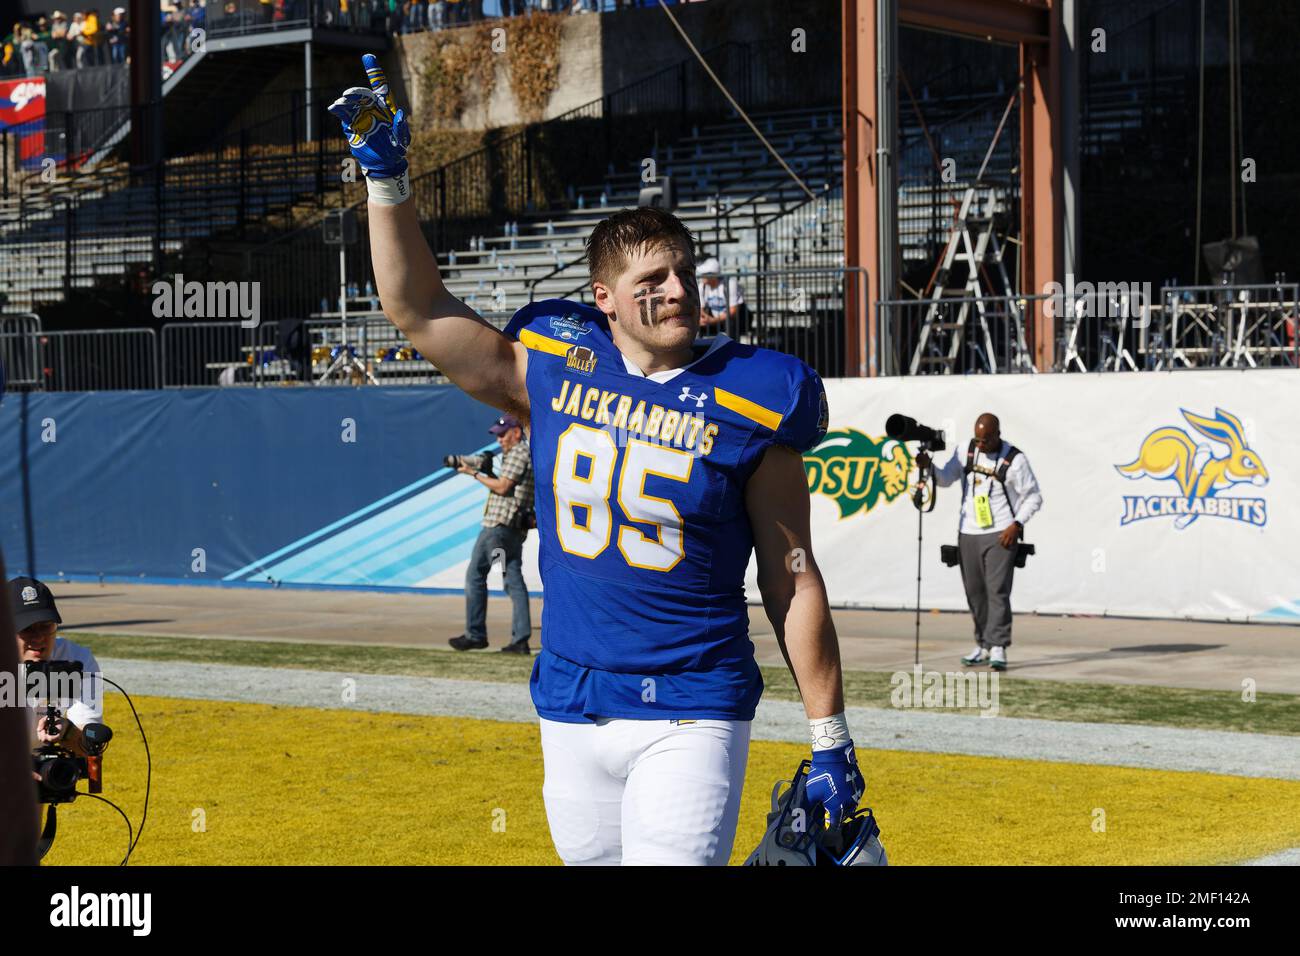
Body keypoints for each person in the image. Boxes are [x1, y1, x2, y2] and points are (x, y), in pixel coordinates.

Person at [330, 57, 866, 866]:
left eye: (685, 272)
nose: (678, 290)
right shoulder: (551, 361)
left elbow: (791, 577)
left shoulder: (756, 394)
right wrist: (387, 181)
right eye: (652, 278)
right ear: (603, 298)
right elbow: (419, 309)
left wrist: (829, 738)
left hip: (691, 703)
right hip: (570, 701)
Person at [917, 413, 1042, 671]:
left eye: (986, 439)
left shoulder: (1015, 459)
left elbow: (1033, 497)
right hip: (968, 532)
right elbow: (945, 479)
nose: (981, 444)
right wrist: (928, 467)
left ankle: (998, 646)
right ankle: (982, 645)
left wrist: (1016, 525)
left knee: (997, 590)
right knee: (974, 592)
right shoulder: (965, 451)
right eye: (978, 438)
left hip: (1000, 533)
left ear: (998, 434)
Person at [448, 413, 535, 654]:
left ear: (516, 432)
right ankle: (520, 639)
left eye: (503, 434)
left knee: (476, 576)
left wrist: (473, 473)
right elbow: (510, 487)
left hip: (497, 529)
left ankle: (476, 634)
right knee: (512, 580)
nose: (499, 441)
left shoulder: (519, 452)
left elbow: (504, 486)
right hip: (509, 530)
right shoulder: (520, 453)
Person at [10, 577, 104, 755]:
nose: (38, 637)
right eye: (27, 628)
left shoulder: (78, 659)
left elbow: (91, 748)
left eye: (45, 626)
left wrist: (68, 732)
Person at [696, 255, 745, 333]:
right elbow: (701, 308)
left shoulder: (730, 284)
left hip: (733, 321)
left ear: (713, 275)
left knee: (731, 324)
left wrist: (713, 320)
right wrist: (704, 318)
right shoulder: (702, 286)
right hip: (715, 320)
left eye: (704, 274)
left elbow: (733, 311)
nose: (701, 276)